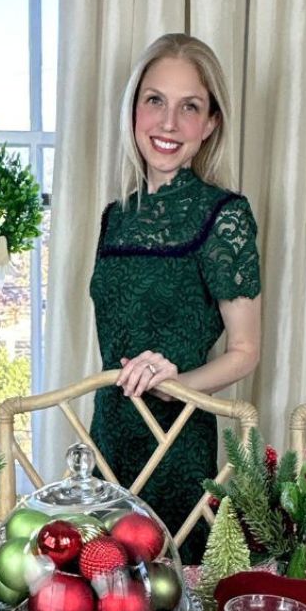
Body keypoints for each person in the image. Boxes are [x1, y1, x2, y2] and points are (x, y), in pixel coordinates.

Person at [88, 33, 262, 564]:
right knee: (98, 593)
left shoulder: (224, 214)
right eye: (155, 100)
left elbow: (245, 349)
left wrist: (176, 385)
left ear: (210, 124)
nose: (168, 123)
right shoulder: (114, 217)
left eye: (190, 107)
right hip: (108, 432)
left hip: (179, 437)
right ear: (134, 108)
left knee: (173, 597)